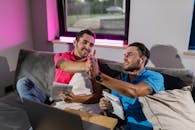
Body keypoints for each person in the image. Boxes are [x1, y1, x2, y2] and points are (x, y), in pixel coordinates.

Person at [90, 42, 165, 130]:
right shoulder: (120, 82)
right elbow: (116, 115)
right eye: (124, 55)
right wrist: (106, 108)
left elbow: (134, 92)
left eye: (129, 55)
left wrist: (98, 76)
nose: (124, 58)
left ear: (142, 59)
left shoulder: (155, 77)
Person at [16, 29, 102, 105]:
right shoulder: (62, 56)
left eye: (91, 45)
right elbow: (64, 66)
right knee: (22, 82)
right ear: (75, 42)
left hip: (70, 101)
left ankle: (40, 111)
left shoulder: (93, 63)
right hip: (51, 98)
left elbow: (97, 95)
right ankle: (39, 111)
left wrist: (75, 99)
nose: (88, 47)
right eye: (85, 42)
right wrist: (86, 66)